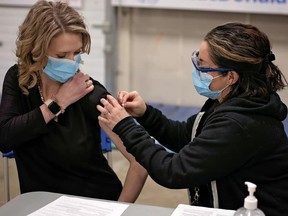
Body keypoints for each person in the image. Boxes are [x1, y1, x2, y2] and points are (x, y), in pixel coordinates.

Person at [97, 22, 288, 215]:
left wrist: (125, 127)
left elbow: (174, 171)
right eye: (197, 59)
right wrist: (145, 113)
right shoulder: (231, 100)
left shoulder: (240, 123)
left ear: (231, 77)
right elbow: (185, 136)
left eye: (203, 65)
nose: (197, 70)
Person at [0, 0, 147, 202]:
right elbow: (5, 137)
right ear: (36, 51)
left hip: (94, 205)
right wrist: (57, 103)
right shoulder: (19, 80)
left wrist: (117, 212)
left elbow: (141, 160)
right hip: (39, 206)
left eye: (76, 53)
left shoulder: (90, 93)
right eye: (62, 55)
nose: (72, 62)